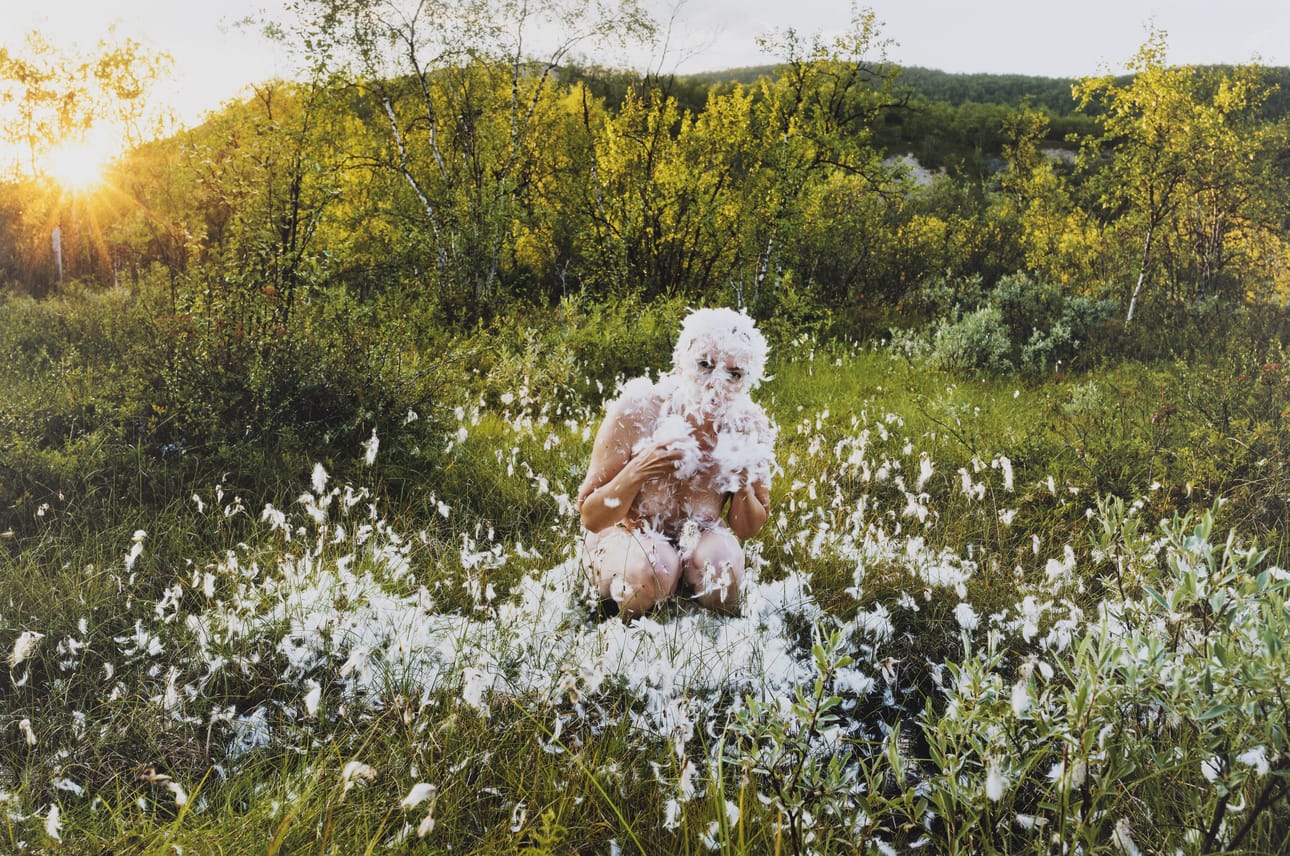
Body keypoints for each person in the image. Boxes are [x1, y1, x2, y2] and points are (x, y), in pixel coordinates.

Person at [577, 307, 776, 619]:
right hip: (625, 536)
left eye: (734, 374)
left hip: (699, 538)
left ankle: (686, 593)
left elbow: (747, 528)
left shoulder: (749, 426)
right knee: (654, 568)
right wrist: (640, 468)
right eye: (704, 365)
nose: (717, 384)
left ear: (747, 379)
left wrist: (743, 486)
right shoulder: (638, 410)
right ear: (681, 363)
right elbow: (591, 516)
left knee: (722, 572)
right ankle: (630, 628)